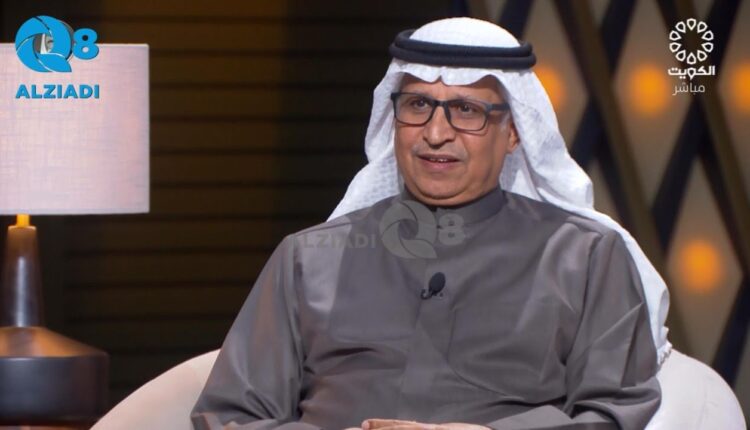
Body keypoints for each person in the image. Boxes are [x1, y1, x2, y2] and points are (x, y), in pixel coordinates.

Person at [191, 17, 672, 430]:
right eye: (418, 105)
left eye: (467, 110)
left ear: (514, 133)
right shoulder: (308, 257)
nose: (436, 133)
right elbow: (231, 415)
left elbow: (613, 413)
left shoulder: (586, 257)